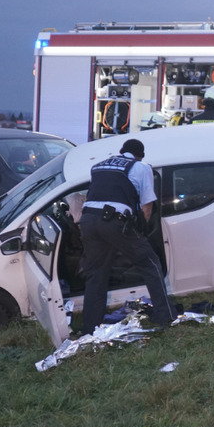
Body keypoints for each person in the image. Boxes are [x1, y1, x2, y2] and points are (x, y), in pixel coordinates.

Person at [79, 138, 176, 334]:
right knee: (150, 263)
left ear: (121, 151)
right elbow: (147, 206)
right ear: (140, 155)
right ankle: (166, 317)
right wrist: (141, 233)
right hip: (114, 221)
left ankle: (90, 328)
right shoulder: (141, 167)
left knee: (96, 273)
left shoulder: (98, 166)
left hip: (88, 220)